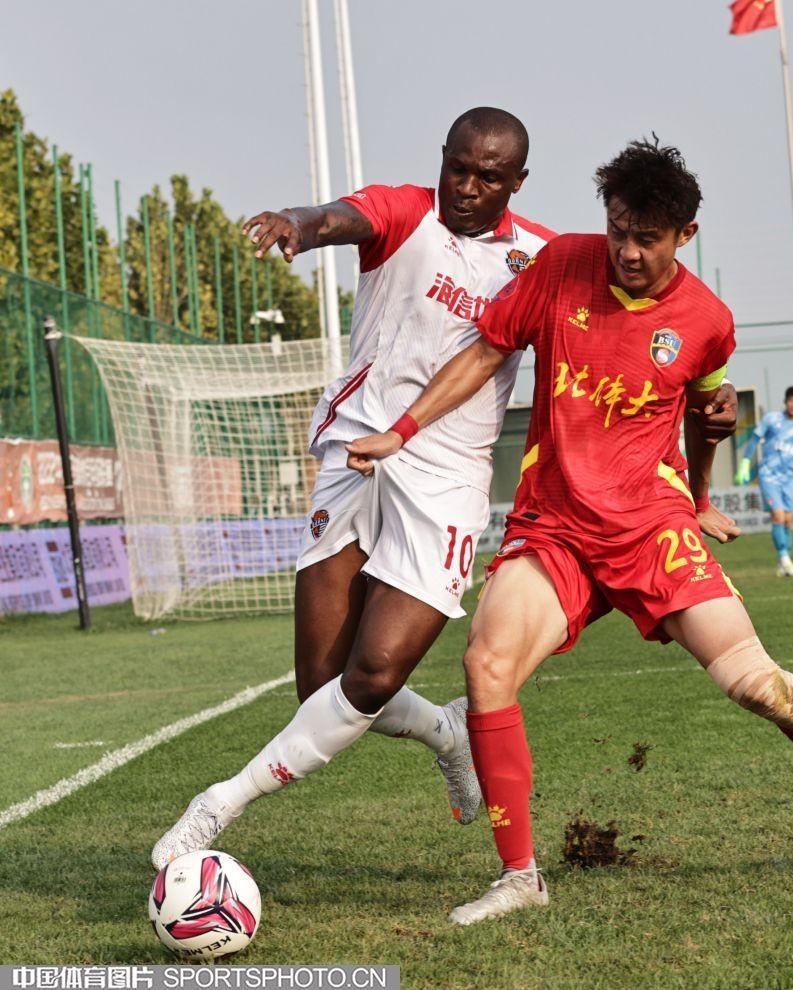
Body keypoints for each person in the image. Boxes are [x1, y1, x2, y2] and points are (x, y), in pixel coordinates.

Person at [346, 138, 793, 925]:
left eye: (647, 238)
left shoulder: (707, 320)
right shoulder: (561, 266)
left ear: (684, 235)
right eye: (618, 231)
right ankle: (520, 877)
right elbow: (486, 350)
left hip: (650, 527)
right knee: (486, 665)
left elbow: (710, 412)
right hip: (556, 525)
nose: (628, 252)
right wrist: (401, 430)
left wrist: (699, 496)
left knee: (758, 686)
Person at [151, 110, 739, 870]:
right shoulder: (406, 213)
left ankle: (217, 804)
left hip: (448, 481)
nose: (465, 187)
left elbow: (655, 323)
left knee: (374, 674)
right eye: (457, 167)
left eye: (487, 177)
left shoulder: (542, 257)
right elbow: (340, 217)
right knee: (321, 686)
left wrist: (709, 402)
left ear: (517, 183)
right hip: (357, 450)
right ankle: (446, 732)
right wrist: (298, 223)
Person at [735, 387, 793, 576]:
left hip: (789, 478)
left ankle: (783, 563)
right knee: (778, 516)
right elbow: (754, 440)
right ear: (785, 402)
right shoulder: (771, 419)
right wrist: (745, 462)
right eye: (791, 400)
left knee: (787, 520)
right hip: (769, 475)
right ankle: (785, 560)